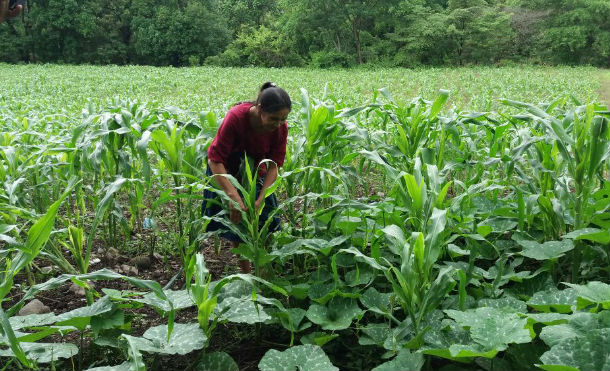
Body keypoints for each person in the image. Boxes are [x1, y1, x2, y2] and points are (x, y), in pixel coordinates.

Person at [202, 82, 291, 273]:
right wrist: (233, 197)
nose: (278, 124)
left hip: (254, 174)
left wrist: (262, 197)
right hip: (225, 171)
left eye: (283, 119)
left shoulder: (280, 128)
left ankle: (266, 271)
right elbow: (214, 160)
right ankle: (247, 274)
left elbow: (274, 164)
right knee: (237, 227)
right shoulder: (236, 117)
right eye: (274, 118)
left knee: (266, 221)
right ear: (260, 110)